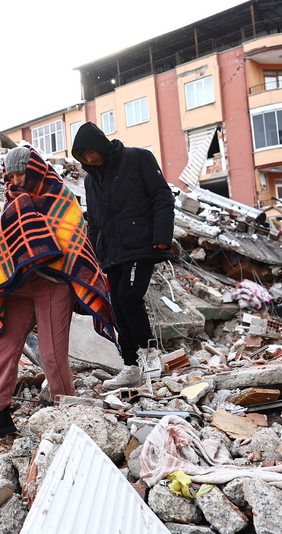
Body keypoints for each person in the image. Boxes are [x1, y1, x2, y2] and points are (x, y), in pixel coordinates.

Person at [0, 145, 116, 441]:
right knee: (3, 347)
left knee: (51, 355)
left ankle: (66, 412)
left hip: (53, 283)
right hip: (16, 285)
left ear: (35, 171)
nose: (15, 181)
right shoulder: (12, 199)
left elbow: (72, 239)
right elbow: (2, 242)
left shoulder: (60, 197)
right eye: (10, 176)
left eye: (21, 174)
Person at [71, 122, 175, 390]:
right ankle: (131, 366)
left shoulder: (138, 158)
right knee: (118, 307)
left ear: (100, 144)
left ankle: (150, 355)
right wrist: (95, 254)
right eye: (83, 156)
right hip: (112, 251)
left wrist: (162, 236)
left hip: (141, 243)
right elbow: (94, 221)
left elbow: (162, 196)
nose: (89, 158)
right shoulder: (90, 180)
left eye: (91, 151)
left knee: (129, 297)